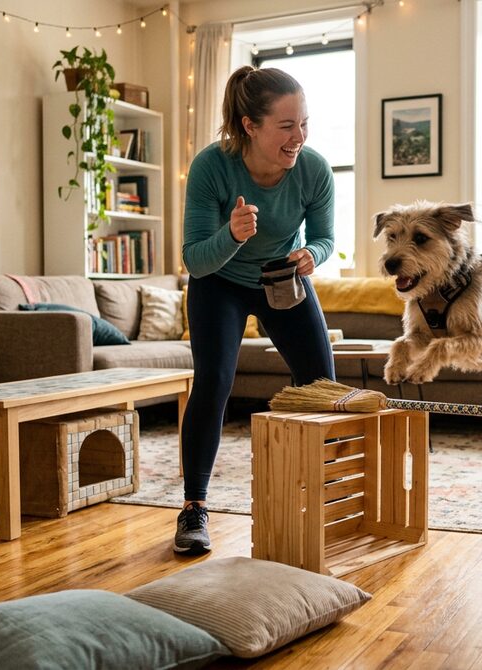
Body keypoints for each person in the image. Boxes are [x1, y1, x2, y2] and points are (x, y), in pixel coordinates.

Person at [175, 65, 336, 554]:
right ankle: (194, 510)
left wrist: (314, 255)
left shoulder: (313, 169)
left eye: (304, 123)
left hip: (279, 281)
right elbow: (195, 260)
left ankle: (323, 497)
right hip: (218, 284)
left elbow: (326, 237)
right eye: (286, 126)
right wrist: (233, 234)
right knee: (215, 382)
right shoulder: (212, 167)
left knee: (323, 386)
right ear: (250, 125)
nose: (299, 137)